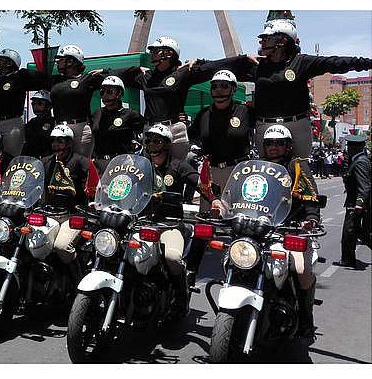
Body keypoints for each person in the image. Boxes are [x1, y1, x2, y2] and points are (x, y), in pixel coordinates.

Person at [108, 35, 253, 160]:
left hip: (175, 130)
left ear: (169, 53)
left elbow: (213, 67)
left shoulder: (183, 73)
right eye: (151, 51)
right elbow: (116, 79)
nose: (152, 54)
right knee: (151, 170)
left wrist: (243, 58)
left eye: (156, 51)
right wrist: (133, 69)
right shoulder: (146, 77)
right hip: (151, 130)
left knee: (178, 169)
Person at [249, 18, 371, 158]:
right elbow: (227, 67)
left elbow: (335, 63)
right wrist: (243, 57)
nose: (262, 42)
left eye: (267, 38)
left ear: (282, 41)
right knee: (263, 168)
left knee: (301, 166)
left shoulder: (301, 62)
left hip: (298, 126)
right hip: (264, 125)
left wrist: (369, 63)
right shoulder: (256, 64)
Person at [260, 125, 322, 340]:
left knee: (301, 269)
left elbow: (312, 197)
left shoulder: (297, 167)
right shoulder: (257, 167)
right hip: (260, 229)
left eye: (279, 143)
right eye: (269, 143)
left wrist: (311, 219)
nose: (274, 147)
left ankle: (306, 318)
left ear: (288, 146)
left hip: (291, 229)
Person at [140, 122, 207, 314]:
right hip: (141, 223)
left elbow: (200, 183)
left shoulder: (178, 165)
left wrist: (215, 198)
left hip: (170, 224)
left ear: (167, 144)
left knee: (172, 257)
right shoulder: (140, 165)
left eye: (157, 141)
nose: (152, 145)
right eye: (148, 141)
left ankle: (181, 296)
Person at [190, 69, 255, 194]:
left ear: (234, 89)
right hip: (210, 173)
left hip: (239, 171)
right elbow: (190, 136)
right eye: (214, 86)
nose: (218, 90)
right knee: (209, 207)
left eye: (224, 86)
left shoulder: (246, 111)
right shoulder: (203, 114)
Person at [42, 124, 90, 265]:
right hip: (49, 213)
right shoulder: (46, 162)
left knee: (62, 247)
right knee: (35, 243)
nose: (55, 145)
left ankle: (77, 273)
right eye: (53, 141)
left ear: (69, 143)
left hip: (72, 215)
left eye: (60, 141)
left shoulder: (81, 161)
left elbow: (94, 184)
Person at [90, 76, 145, 171]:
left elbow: (144, 135)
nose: (105, 96)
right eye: (102, 92)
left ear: (120, 94)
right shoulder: (97, 113)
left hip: (122, 163)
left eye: (110, 92)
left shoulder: (131, 114)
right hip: (99, 164)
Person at [338, 133, 371, 269]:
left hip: (356, 205)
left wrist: (359, 203)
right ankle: (347, 259)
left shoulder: (360, 162)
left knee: (349, 232)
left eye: (349, 147)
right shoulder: (357, 160)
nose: (347, 150)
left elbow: (364, 185)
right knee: (357, 232)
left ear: (354, 148)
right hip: (353, 202)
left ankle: (348, 260)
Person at [21, 90, 56, 158]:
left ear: (49, 106)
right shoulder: (32, 122)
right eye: (33, 103)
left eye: (39, 103)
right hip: (30, 159)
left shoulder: (53, 122)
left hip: (46, 159)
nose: (35, 106)